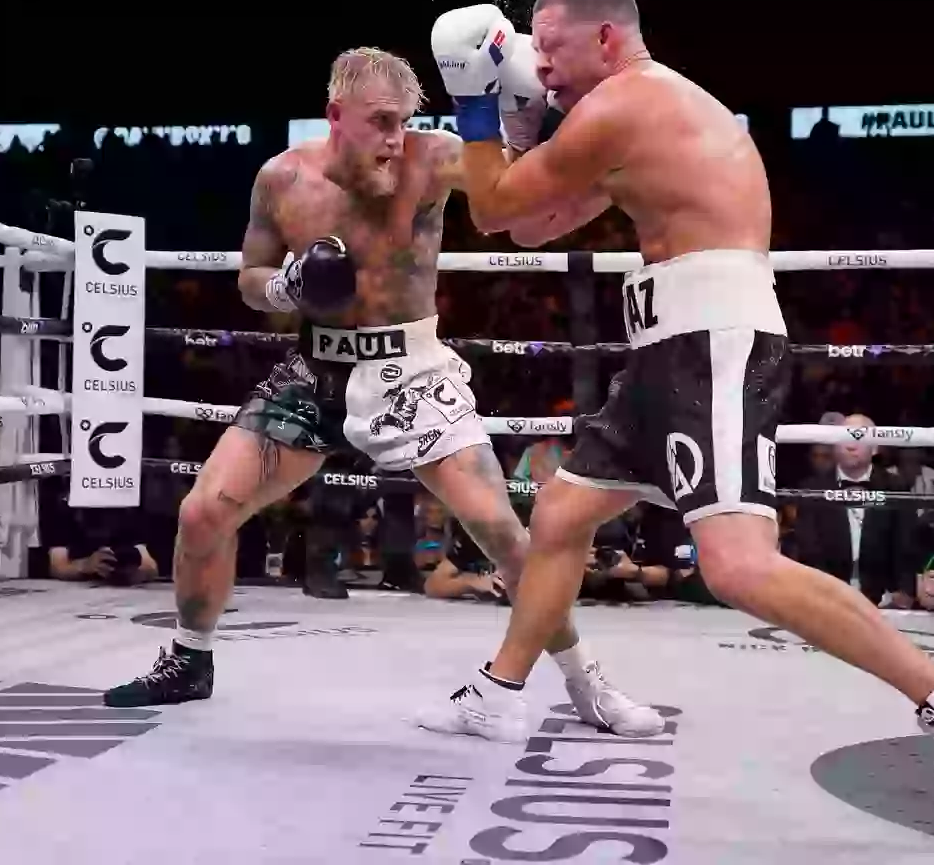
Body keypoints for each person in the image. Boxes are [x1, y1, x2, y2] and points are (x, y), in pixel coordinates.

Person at [421, 0, 934, 842]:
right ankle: (499, 690)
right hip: (668, 348)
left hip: (711, 342)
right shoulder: (633, 118)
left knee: (739, 567)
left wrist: (474, 102)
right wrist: (521, 124)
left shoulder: (627, 102)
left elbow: (489, 210)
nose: (541, 67)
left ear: (605, 37)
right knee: (561, 514)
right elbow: (531, 226)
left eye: (550, 49)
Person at [103, 46, 661, 739]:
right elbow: (250, 277)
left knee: (504, 536)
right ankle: (189, 659)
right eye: (381, 121)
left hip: (412, 373)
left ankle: (587, 683)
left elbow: (520, 193)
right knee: (201, 513)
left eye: (404, 121)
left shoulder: (434, 159)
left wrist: (532, 116)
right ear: (335, 114)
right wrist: (286, 287)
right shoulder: (282, 178)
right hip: (315, 371)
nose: (396, 138)